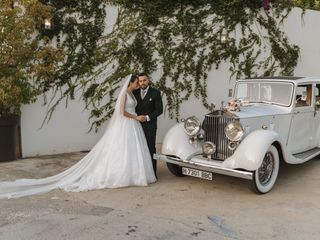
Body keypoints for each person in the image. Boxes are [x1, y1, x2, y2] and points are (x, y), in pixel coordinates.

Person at [0, 75, 156, 199]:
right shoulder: (124, 94)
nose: (138, 84)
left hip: (133, 125)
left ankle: (135, 174)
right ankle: (120, 175)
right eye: (137, 82)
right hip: (127, 123)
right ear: (131, 82)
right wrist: (136, 118)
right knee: (121, 149)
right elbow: (121, 112)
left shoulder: (132, 93)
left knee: (132, 150)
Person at [133, 73, 163, 178]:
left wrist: (146, 117)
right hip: (136, 125)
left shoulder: (155, 93)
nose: (142, 83)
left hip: (150, 125)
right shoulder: (134, 92)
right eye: (140, 81)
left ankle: (152, 173)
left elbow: (159, 110)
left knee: (150, 148)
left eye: (144, 80)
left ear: (148, 80)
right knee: (137, 148)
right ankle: (140, 173)